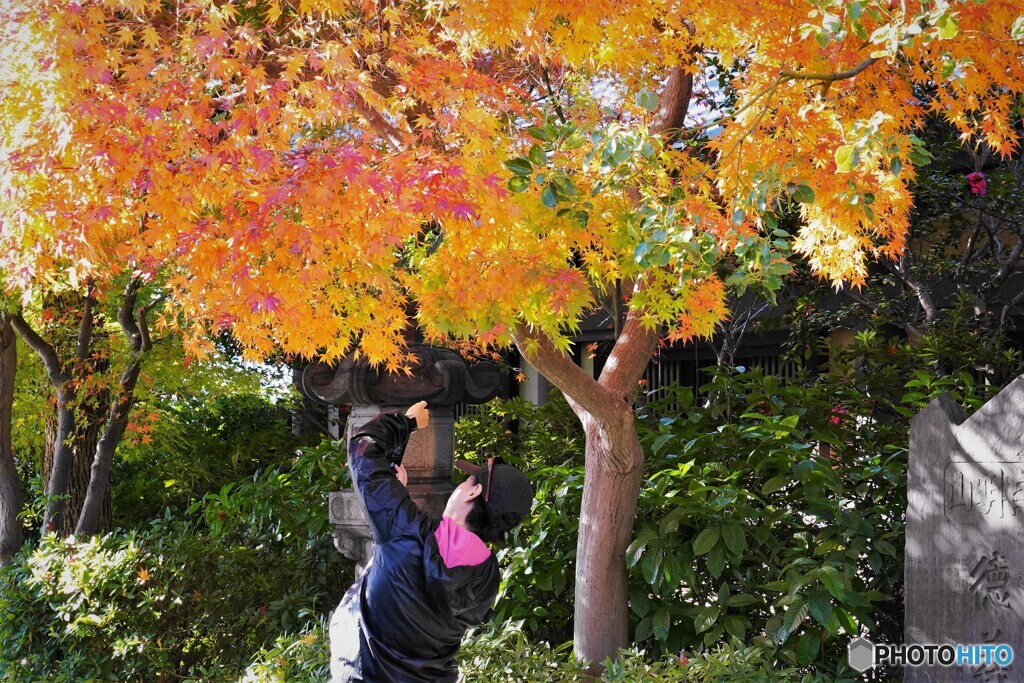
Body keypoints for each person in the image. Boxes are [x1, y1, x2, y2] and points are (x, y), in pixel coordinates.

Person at [329, 400, 534, 682]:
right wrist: (398, 500)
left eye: (466, 480)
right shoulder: (487, 578)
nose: (460, 484)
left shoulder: (406, 531)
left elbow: (363, 447)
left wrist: (407, 422)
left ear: (472, 494)